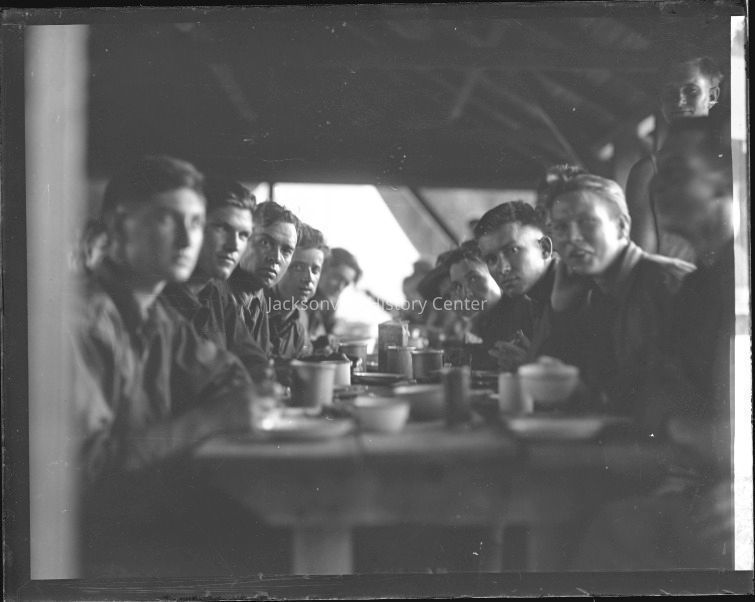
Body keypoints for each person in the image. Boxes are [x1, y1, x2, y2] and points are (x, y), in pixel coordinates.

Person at [70, 155, 282, 576]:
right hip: (95, 550)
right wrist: (210, 419)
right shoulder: (79, 322)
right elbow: (85, 475)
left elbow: (227, 375)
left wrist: (244, 398)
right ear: (118, 227)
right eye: (168, 219)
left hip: (149, 516)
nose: (188, 240)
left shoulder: (159, 318)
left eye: (197, 222)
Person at [572, 116, 735, 570]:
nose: (659, 187)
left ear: (730, 177)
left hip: (729, 499)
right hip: (697, 473)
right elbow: (660, 388)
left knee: (613, 529)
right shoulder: (702, 284)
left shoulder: (719, 278)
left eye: (677, 172)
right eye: (659, 173)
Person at [539, 172, 695, 415]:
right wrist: (561, 310)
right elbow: (553, 381)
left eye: (587, 222)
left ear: (622, 226)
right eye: (560, 227)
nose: (572, 237)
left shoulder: (668, 282)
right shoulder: (589, 291)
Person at [161, 175, 269, 381]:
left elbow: (254, 360)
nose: (233, 246)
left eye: (243, 235)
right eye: (222, 228)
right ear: (194, 228)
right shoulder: (159, 295)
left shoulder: (218, 294)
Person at [625, 56, 723, 263]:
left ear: (712, 95)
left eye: (691, 91)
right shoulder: (648, 171)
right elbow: (645, 262)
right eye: (670, 93)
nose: (679, 101)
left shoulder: (737, 162)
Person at [473, 201, 557, 372]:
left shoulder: (577, 294)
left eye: (512, 250)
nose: (503, 268)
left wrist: (530, 366)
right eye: (491, 259)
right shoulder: (532, 299)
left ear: (545, 248)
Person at [229, 200, 301, 356]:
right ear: (244, 239)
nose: (276, 258)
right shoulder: (218, 293)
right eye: (265, 242)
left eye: (286, 250)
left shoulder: (257, 296)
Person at [268, 224, 329, 360]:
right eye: (298, 267)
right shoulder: (254, 310)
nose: (309, 278)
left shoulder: (300, 320)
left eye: (315, 270)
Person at [443, 241, 502, 369]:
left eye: (473, 279)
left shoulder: (526, 311)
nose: (466, 292)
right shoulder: (478, 323)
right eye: (458, 286)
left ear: (496, 273)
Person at [307, 246, 362, 351]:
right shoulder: (298, 299)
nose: (340, 287)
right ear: (322, 268)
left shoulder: (327, 304)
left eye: (345, 284)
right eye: (337, 277)